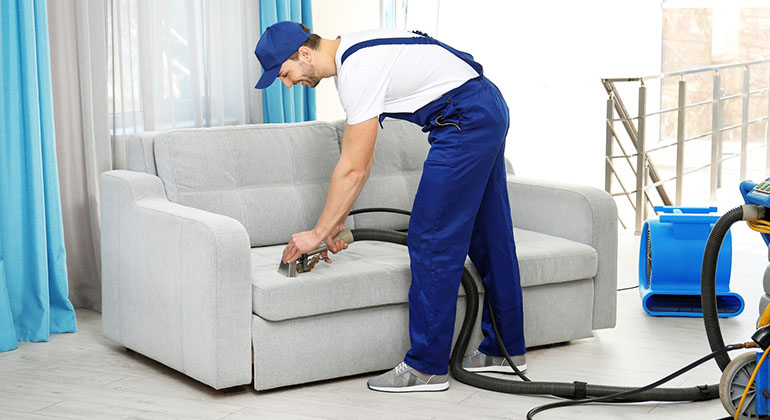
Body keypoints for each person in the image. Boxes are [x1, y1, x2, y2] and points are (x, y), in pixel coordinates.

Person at [254, 21, 526, 393]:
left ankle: (426, 368)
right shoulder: (356, 52)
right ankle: (505, 351)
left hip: (465, 122)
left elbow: (354, 169)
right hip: (485, 108)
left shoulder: (357, 70)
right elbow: (359, 165)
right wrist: (333, 224)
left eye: (285, 74)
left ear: (304, 53)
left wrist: (317, 233)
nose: (287, 84)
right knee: (490, 234)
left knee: (430, 238)